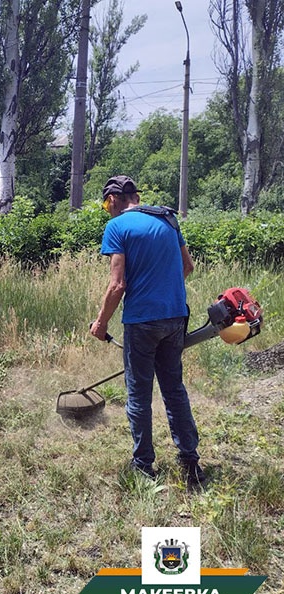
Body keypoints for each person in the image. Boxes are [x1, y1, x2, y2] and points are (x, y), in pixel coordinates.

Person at [90, 175, 206, 487]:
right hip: (175, 317)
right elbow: (188, 267)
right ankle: (190, 462)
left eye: (105, 204)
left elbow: (117, 285)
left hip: (141, 322)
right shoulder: (167, 218)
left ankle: (143, 466)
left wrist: (100, 324)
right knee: (174, 390)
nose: (106, 210)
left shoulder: (117, 227)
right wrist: (162, 290)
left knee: (139, 394)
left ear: (113, 199)